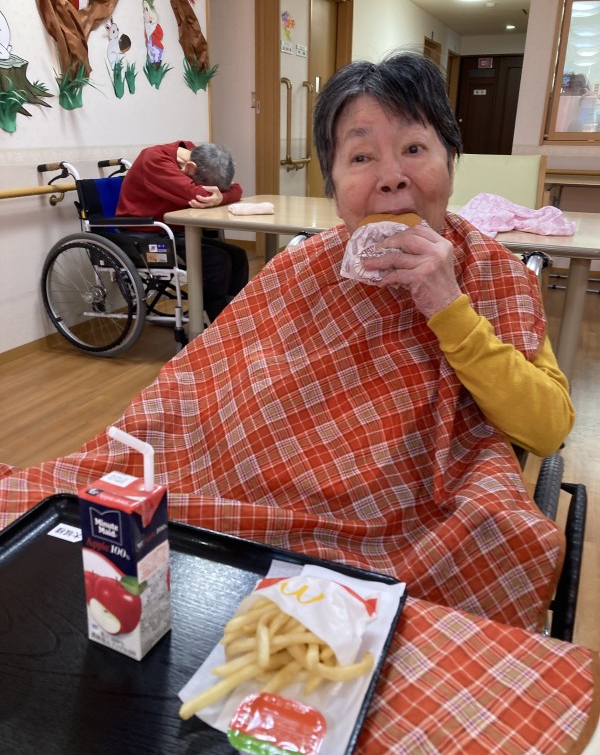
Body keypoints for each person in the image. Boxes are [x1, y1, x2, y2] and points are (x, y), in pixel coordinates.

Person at [0, 52, 574, 634]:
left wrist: (449, 309)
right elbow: (201, 377)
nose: (391, 176)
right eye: (361, 157)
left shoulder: (494, 274)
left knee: (504, 538)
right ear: (335, 185)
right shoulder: (302, 266)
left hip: (412, 514)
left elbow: (547, 429)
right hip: (248, 485)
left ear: (450, 162)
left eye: (414, 148)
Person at [116, 140, 249, 322]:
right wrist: (221, 196)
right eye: (199, 183)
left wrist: (221, 197)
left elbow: (237, 188)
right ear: (190, 167)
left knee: (238, 255)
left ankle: (233, 313)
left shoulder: (193, 152)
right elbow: (199, 196)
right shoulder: (154, 160)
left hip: (172, 232)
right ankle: (218, 321)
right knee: (217, 259)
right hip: (143, 235)